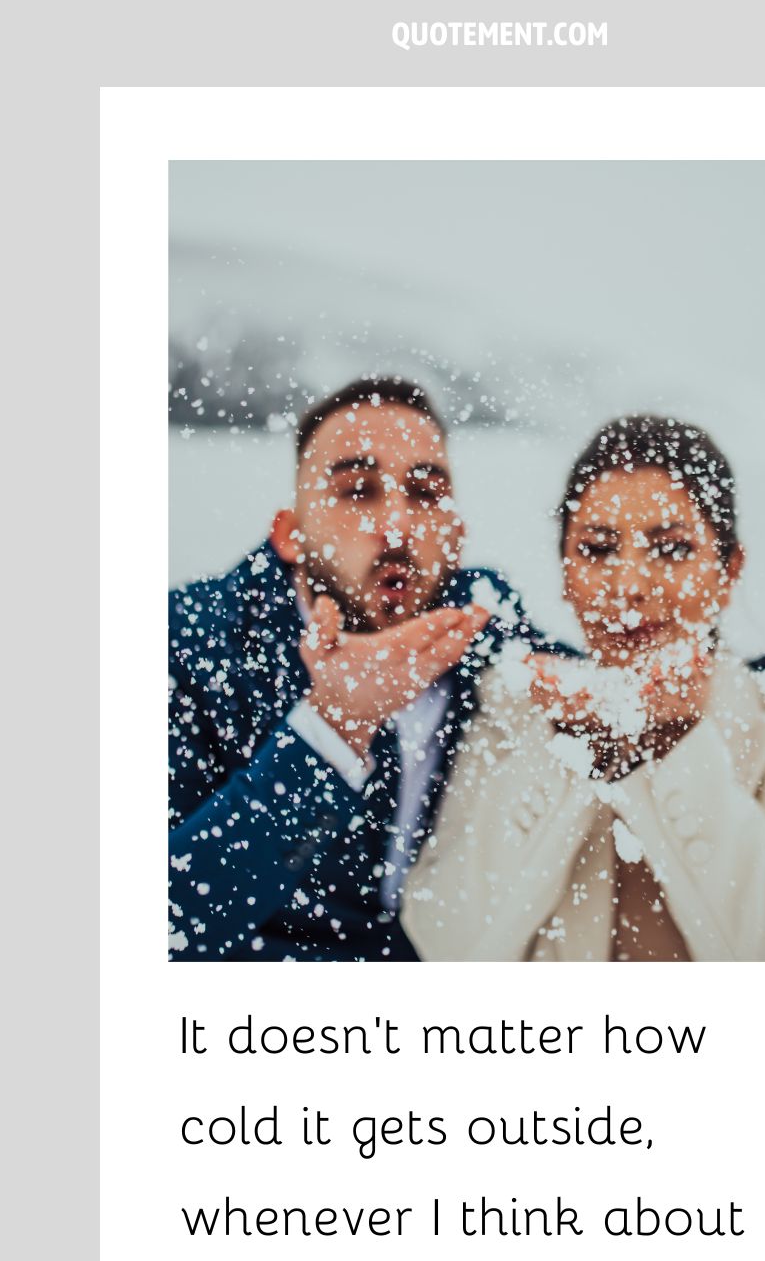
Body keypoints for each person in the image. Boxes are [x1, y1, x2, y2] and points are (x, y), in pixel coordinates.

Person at [402, 415, 765, 962]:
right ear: (563, 572)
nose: (628, 586)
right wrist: (567, 743)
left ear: (728, 571)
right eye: (599, 549)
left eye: (671, 549)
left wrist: (674, 742)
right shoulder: (511, 713)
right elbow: (448, 946)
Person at [168, 376, 551, 961]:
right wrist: (333, 725)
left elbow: (624, 684)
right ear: (289, 534)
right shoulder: (183, 647)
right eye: (357, 491)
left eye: (425, 494)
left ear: (457, 533)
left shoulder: (489, 638)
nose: (398, 524)